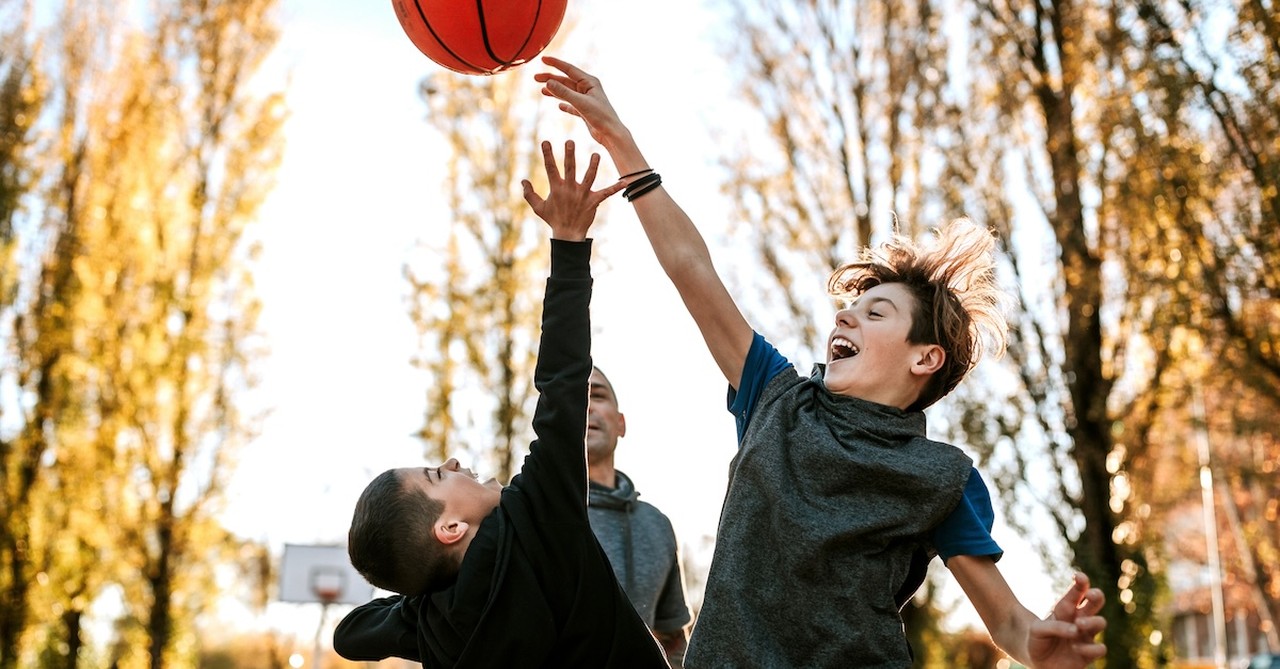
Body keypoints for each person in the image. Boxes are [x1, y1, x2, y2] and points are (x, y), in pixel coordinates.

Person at [533, 56, 1109, 668]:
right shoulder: (775, 398)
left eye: (876, 312)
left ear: (925, 357)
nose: (845, 318)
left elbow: (1008, 623)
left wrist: (1038, 646)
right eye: (848, 309)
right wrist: (621, 141)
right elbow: (692, 269)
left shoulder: (943, 476)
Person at [331, 140, 670, 668]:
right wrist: (569, 241)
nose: (450, 462)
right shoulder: (536, 519)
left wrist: (421, 593)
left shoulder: (435, 627)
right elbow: (563, 381)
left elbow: (348, 637)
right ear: (450, 529)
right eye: (437, 476)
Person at [586, 365, 693, 666]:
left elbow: (672, 637)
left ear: (621, 424)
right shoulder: (531, 512)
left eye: (598, 394)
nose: (586, 404)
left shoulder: (657, 524)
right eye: (576, 396)